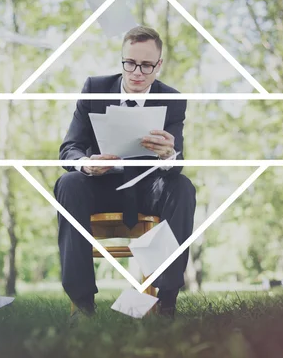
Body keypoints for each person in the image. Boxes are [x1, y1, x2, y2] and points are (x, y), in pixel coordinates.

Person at [54, 26, 196, 320]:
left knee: (182, 187)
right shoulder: (94, 88)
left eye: (146, 65)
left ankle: (166, 300)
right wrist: (87, 164)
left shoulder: (173, 99)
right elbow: (69, 148)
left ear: (159, 65)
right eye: (129, 63)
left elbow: (175, 163)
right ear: (122, 60)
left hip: (148, 189)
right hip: (100, 186)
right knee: (68, 183)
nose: (136, 73)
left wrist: (169, 154)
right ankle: (82, 304)